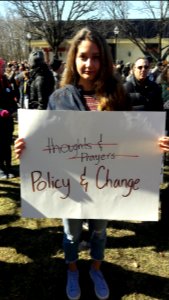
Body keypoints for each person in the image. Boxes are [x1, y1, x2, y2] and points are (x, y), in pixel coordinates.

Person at [14, 27, 169, 300]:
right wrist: (26, 148)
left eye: (96, 57)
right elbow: (45, 141)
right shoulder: (59, 98)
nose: (89, 64)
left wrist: (154, 146)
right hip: (71, 184)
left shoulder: (117, 95)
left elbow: (130, 139)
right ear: (74, 59)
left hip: (106, 182)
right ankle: (72, 268)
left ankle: (96, 268)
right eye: (84, 56)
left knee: (99, 230)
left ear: (104, 60)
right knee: (72, 233)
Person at [0, 58, 17, 179]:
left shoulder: (5, 80)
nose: (3, 68)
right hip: (0, 119)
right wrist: (1, 112)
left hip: (8, 119)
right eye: (1, 67)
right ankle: (0, 169)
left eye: (3, 66)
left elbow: (11, 96)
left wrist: (14, 108)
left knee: (7, 144)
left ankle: (9, 166)